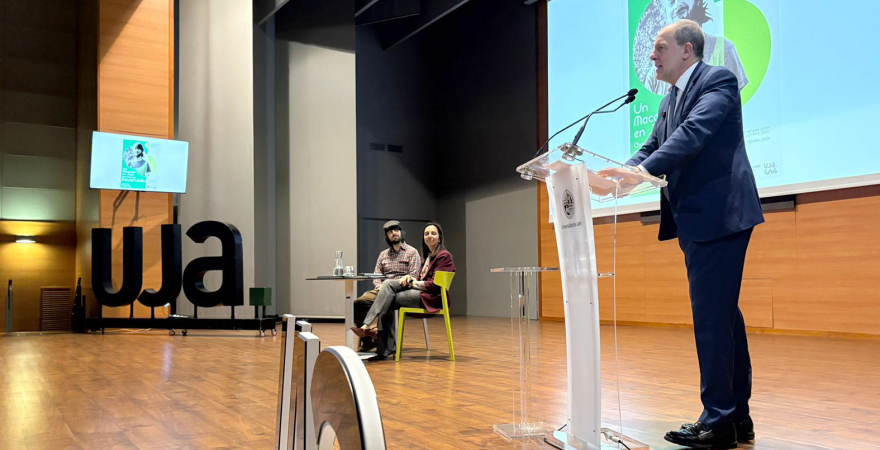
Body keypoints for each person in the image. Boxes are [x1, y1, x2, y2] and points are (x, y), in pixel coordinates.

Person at [598, 19, 764, 449]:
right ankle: (735, 418)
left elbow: (693, 135)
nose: (652, 56)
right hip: (696, 220)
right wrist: (618, 177)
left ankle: (718, 421)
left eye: (660, 47)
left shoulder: (718, 81)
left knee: (713, 320)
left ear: (687, 50)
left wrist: (636, 174)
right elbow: (654, 146)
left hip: (720, 216)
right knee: (723, 319)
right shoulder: (670, 97)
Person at [353, 223, 455, 360]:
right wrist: (409, 279)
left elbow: (435, 285)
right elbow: (377, 275)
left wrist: (412, 281)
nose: (429, 236)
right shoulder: (429, 255)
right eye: (426, 234)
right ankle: (379, 343)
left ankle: (372, 328)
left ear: (440, 237)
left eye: (433, 233)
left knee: (388, 293)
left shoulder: (443, 256)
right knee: (372, 298)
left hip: (430, 297)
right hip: (397, 290)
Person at [353, 220, 421, 351]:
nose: (394, 233)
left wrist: (399, 282)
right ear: (387, 236)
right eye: (390, 231)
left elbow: (414, 275)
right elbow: (376, 275)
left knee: (388, 296)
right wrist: (378, 285)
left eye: (396, 230)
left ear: (401, 232)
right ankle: (368, 340)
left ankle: (373, 331)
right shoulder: (383, 255)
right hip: (383, 289)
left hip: (402, 290)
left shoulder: (412, 252)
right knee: (359, 302)